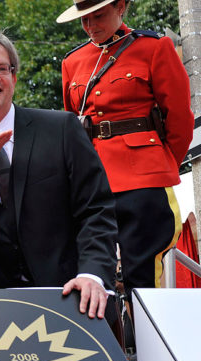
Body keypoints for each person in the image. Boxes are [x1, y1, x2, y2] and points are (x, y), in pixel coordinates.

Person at [0, 30, 118, 319]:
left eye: (2, 69)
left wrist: (93, 275)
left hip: (73, 296)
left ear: (14, 78)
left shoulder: (62, 129)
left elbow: (96, 210)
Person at [58, 0, 193, 300]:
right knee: (93, 274)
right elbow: (73, 128)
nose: (91, 26)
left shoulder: (154, 48)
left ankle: (148, 346)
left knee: (142, 278)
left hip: (144, 181)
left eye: (98, 16)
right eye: (84, 20)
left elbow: (180, 119)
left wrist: (160, 163)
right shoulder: (73, 61)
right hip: (92, 182)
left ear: (121, 7)